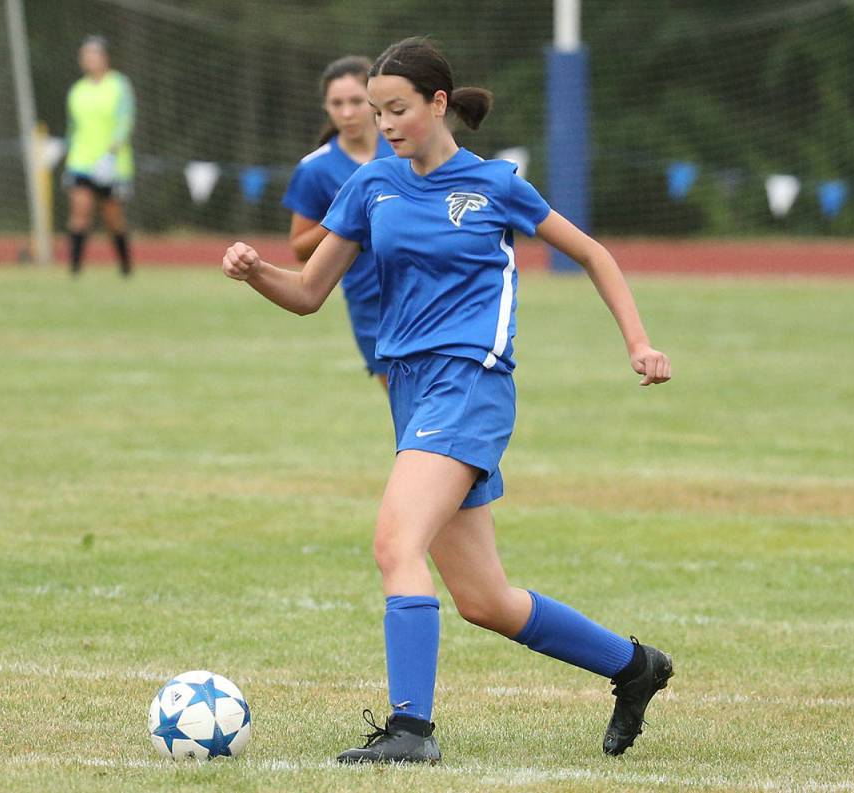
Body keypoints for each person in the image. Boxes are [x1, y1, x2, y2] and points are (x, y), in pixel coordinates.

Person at [222, 37, 673, 764]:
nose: (384, 123)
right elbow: (307, 293)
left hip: (470, 381)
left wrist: (638, 341)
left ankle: (411, 732)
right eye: (375, 111)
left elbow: (593, 253)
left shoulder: (496, 184)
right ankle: (635, 666)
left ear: (438, 103)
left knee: (394, 542)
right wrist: (254, 272)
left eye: (396, 109)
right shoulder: (371, 186)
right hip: (410, 389)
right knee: (484, 600)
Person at [283, 56, 395, 387]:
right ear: (326, 107)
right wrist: (348, 217)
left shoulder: (405, 147)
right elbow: (300, 248)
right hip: (370, 302)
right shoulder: (314, 169)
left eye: (356, 101)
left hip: (423, 289)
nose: (347, 113)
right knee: (405, 408)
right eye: (337, 103)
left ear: (375, 101)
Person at [63, 35, 135, 276]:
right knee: (79, 213)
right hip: (80, 161)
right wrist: (67, 158)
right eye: (86, 55)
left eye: (94, 54)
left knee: (113, 218)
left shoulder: (119, 85)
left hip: (111, 164)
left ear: (105, 58)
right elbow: (72, 129)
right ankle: (74, 270)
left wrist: (111, 153)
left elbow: (126, 120)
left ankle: (125, 267)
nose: (90, 60)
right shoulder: (77, 90)